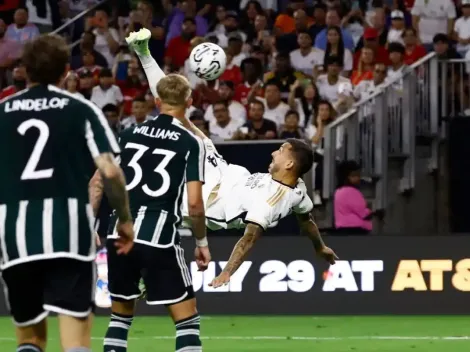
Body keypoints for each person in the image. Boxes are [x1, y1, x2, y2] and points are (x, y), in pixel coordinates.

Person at [125, 28, 338, 289]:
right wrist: (321, 247)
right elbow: (307, 221)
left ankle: (145, 272)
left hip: (208, 199)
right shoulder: (299, 191)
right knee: (178, 113)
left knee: (151, 210)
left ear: (290, 164)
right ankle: (144, 53)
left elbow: (249, 238)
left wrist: (227, 272)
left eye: (280, 151)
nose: (273, 152)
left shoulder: (271, 202)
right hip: (220, 167)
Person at [0, 34, 134, 352]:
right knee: (75, 340)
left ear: (25, 70)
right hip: (70, 234)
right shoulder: (81, 109)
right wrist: (125, 220)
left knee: (30, 341)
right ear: (65, 71)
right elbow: (111, 171)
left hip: (15, 237)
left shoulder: (2, 111)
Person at [89, 30, 211, 352]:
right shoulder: (190, 141)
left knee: (120, 319)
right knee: (187, 321)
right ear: (189, 103)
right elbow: (195, 205)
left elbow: (97, 181)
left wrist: (91, 227)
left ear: (156, 102)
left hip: (119, 235)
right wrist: (201, 243)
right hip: (158, 236)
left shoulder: (127, 134)